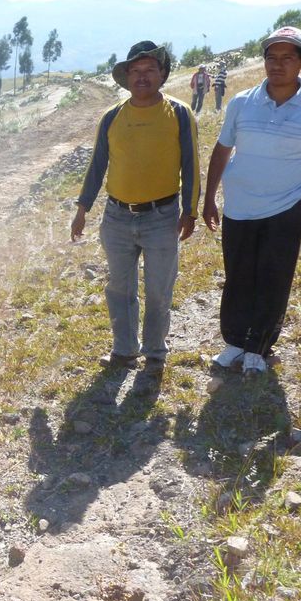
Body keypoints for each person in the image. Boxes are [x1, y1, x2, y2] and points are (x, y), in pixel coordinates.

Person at [202, 26, 301, 374]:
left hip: (284, 208)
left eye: (287, 58)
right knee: (237, 276)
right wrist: (209, 199)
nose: (277, 65)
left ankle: (259, 348)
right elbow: (222, 150)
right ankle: (235, 342)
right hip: (239, 207)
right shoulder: (241, 102)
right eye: (271, 57)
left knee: (273, 276)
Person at [71, 40, 200, 372]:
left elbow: (192, 163)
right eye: (136, 71)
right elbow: (97, 164)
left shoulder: (181, 114)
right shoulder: (112, 116)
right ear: (127, 77)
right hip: (116, 218)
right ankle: (125, 350)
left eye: (150, 70)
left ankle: (155, 353)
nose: (142, 77)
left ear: (162, 74)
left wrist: (191, 210)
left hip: (162, 217)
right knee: (119, 288)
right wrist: (83, 208)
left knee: (159, 291)